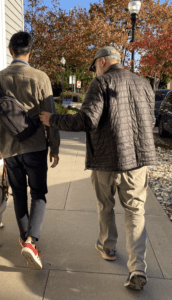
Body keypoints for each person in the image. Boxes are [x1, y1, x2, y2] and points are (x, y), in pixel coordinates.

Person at [40, 46, 156, 290]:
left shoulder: (101, 83)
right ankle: (137, 268)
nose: (94, 71)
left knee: (106, 205)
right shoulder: (144, 84)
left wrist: (53, 120)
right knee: (136, 211)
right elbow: (151, 120)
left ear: (102, 62)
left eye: (94, 66)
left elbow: (86, 120)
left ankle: (108, 247)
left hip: (106, 160)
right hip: (137, 160)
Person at [0, 31, 60, 270]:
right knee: (38, 194)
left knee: (18, 194)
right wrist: (54, 146)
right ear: (30, 52)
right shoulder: (40, 78)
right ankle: (30, 240)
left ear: (10, 51)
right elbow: (50, 116)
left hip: (9, 149)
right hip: (35, 147)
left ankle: (25, 238)